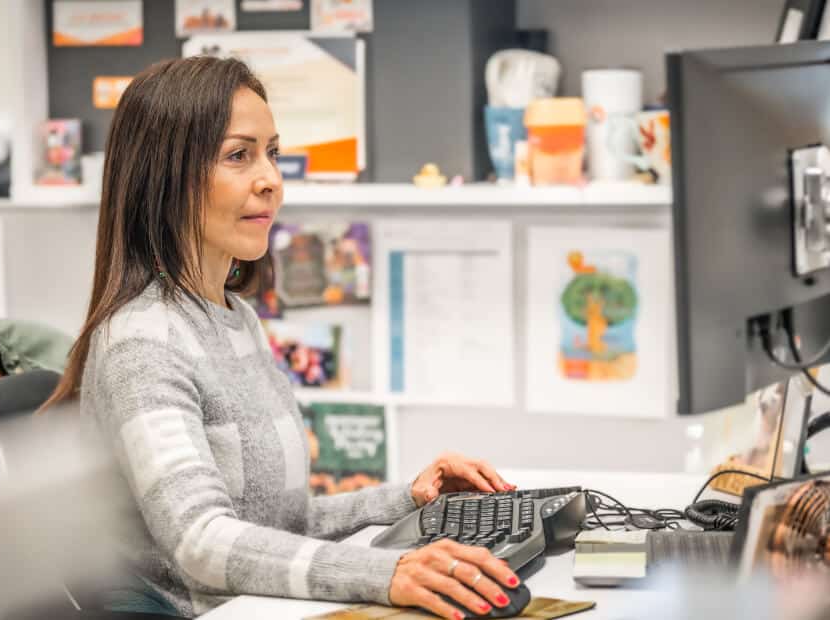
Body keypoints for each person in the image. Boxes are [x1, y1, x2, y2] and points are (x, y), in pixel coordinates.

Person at [43, 56, 521, 620]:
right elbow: (203, 541)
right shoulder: (140, 343)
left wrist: (407, 499)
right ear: (165, 175)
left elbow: (273, 525)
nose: (271, 178)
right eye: (238, 155)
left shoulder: (234, 318)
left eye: (272, 152)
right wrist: (386, 573)